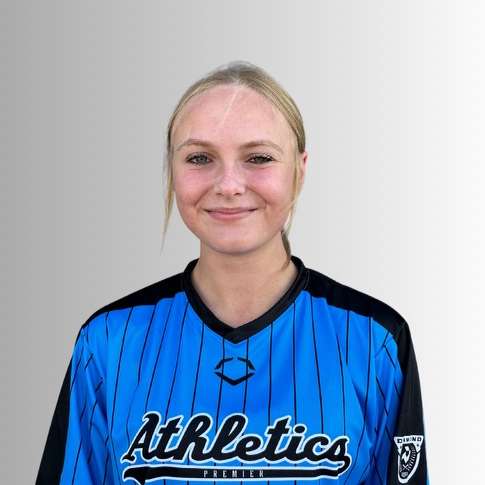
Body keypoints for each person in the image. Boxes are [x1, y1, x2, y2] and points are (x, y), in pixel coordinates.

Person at [36, 61, 429, 485]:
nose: (228, 185)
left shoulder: (373, 341)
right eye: (199, 158)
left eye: (258, 158)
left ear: (300, 170)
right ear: (172, 170)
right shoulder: (109, 341)